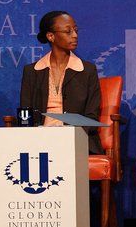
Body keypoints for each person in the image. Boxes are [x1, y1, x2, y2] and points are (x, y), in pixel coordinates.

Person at [19, 10, 102, 154]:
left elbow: (91, 117)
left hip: (77, 141)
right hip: (39, 142)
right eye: (68, 31)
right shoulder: (32, 71)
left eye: (76, 30)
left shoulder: (87, 70)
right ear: (51, 36)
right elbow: (25, 115)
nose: (75, 35)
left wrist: (65, 136)